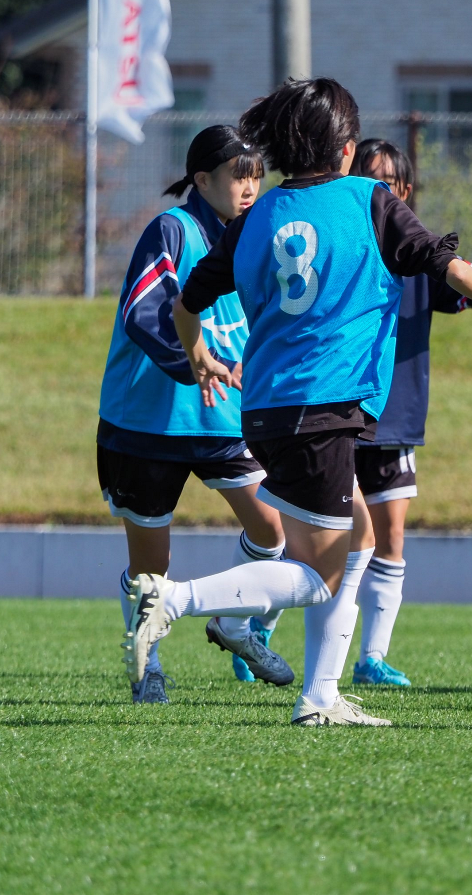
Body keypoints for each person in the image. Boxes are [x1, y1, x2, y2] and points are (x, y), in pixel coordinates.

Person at [121, 77, 472, 727]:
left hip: (270, 410)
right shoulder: (369, 199)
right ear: (348, 148)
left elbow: (188, 300)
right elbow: (440, 258)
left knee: (353, 540)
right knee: (322, 573)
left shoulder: (255, 218)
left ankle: (320, 696)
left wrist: (194, 353)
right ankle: (178, 599)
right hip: (322, 406)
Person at [97, 125, 289, 703]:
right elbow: (143, 309)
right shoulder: (173, 230)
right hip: (146, 426)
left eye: (256, 174)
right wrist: (194, 360)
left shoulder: (255, 237)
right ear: (203, 180)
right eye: (239, 175)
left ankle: (233, 627)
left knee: (272, 528)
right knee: (152, 566)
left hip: (222, 423)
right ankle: (147, 663)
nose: (250, 186)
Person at [347, 138, 472, 687]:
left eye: (393, 184)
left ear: (405, 193)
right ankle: (260, 625)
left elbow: (470, 295)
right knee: (329, 537)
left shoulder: (422, 255)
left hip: (395, 418)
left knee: (390, 536)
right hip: (340, 411)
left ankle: (371, 658)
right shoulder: (346, 247)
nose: (385, 192)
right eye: (370, 179)